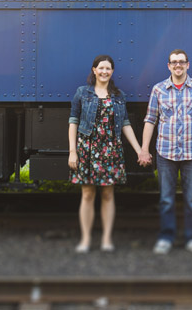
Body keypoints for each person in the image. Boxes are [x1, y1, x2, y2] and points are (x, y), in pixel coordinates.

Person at [68, 54, 147, 253]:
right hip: (87, 148)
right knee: (87, 194)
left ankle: (106, 239)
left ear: (112, 72)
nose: (104, 71)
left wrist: (139, 150)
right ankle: (85, 240)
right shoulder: (82, 93)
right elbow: (73, 122)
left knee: (108, 195)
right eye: (101, 68)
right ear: (94, 70)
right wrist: (72, 152)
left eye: (108, 69)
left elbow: (125, 124)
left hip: (110, 149)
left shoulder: (118, 95)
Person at [139, 49, 192, 255]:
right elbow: (150, 120)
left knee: (191, 199)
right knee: (166, 199)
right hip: (165, 154)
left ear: (188, 65)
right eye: (174, 62)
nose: (178, 65)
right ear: (168, 66)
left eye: (181, 62)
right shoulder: (158, 90)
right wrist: (144, 149)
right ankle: (166, 237)